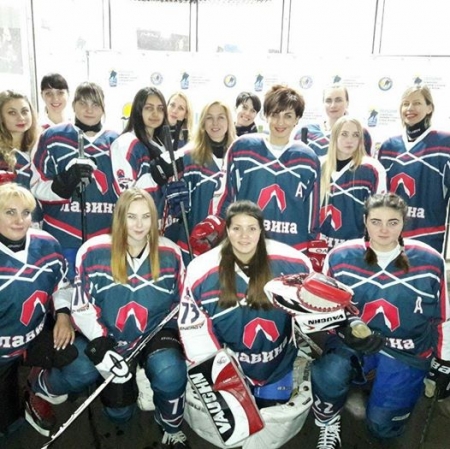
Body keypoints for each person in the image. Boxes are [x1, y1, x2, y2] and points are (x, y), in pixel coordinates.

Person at [26, 188, 190, 448]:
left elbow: (184, 303)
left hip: (151, 335)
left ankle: (170, 425)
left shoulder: (171, 253)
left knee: (169, 371)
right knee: (117, 413)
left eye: (146, 216)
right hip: (107, 336)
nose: (139, 225)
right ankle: (43, 383)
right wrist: (101, 345)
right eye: (131, 216)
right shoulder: (93, 251)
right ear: (119, 217)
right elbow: (82, 305)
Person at [311, 193, 450, 449]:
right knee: (330, 372)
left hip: (407, 350)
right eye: (376, 222)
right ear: (365, 221)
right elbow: (326, 310)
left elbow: (443, 316)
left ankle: (389, 390)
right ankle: (329, 421)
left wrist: (444, 361)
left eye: (392, 222)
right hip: (357, 344)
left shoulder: (430, 261)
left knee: (382, 428)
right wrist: (344, 330)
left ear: (403, 222)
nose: (384, 230)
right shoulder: (340, 257)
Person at [179, 200, 313, 445]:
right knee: (235, 429)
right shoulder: (201, 270)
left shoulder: (293, 262)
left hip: (277, 364)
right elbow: (193, 330)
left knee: (268, 427)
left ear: (261, 230)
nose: (244, 236)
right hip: (229, 366)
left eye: (251, 228)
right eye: (237, 228)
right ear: (227, 230)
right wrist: (218, 372)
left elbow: (309, 315)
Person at [193, 84, 320, 254]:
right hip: (245, 245)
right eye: (275, 114)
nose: (280, 122)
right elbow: (225, 195)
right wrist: (215, 223)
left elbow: (312, 215)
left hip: (290, 248)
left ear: (297, 119)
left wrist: (312, 248)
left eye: (288, 116)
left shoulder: (308, 158)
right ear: (265, 115)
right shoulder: (242, 148)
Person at [0, 183, 75, 438]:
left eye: (25, 212)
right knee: (8, 424)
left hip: (34, 335)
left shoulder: (47, 244)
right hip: (2, 349)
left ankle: (35, 383)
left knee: (74, 356)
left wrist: (63, 315)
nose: (19, 220)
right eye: (10, 212)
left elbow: (62, 283)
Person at [31, 81, 119, 281]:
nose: (89, 110)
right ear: (73, 104)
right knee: (63, 293)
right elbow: (35, 185)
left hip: (106, 237)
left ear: (104, 107)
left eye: (95, 104)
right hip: (61, 235)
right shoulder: (52, 136)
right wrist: (62, 185)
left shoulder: (117, 141)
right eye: (83, 103)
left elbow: (126, 190)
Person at [378, 84, 450, 256]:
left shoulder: (444, 143)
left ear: (429, 108)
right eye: (406, 104)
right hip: (389, 237)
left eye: (417, 103)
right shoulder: (388, 146)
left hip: (429, 238)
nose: (410, 108)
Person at [110, 86, 184, 241]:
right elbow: (125, 194)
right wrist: (155, 177)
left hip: (161, 230)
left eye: (160, 108)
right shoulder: (125, 143)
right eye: (149, 108)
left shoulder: (161, 144)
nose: (155, 114)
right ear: (138, 110)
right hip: (136, 232)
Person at [174, 99, 236, 262]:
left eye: (221, 117)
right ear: (202, 122)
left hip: (231, 243)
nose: (215, 123)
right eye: (209, 117)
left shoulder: (239, 155)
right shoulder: (188, 156)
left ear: (229, 121)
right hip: (195, 242)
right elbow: (178, 207)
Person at [320, 116, 386, 249]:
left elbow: (379, 212)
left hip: (356, 247)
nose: (349, 140)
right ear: (334, 136)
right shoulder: (319, 165)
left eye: (355, 135)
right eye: (344, 134)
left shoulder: (372, 169)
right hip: (319, 246)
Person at [295, 84, 372, 156]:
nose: (333, 105)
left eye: (338, 100)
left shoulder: (360, 132)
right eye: (328, 101)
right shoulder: (307, 132)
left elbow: (366, 163)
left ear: (347, 103)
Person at [0, 90, 39, 189]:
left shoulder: (41, 147)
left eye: (25, 111)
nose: (21, 118)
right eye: (12, 113)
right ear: (1, 117)